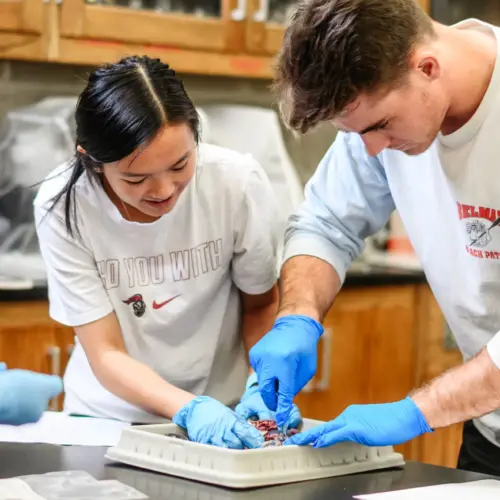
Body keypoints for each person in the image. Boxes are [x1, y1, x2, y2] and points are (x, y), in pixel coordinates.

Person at [249, 0, 500, 475]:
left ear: (426, 66)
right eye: (357, 132)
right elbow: (325, 222)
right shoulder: (378, 114)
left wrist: (415, 411)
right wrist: (296, 318)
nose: (371, 149)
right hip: (490, 426)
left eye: (380, 126)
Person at [34, 55, 301, 449]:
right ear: (91, 161)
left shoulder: (235, 183)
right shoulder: (65, 206)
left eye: (180, 165)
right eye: (135, 178)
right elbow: (104, 351)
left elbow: (260, 303)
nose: (162, 191)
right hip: (107, 422)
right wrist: (190, 409)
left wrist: (264, 383)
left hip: (224, 418)